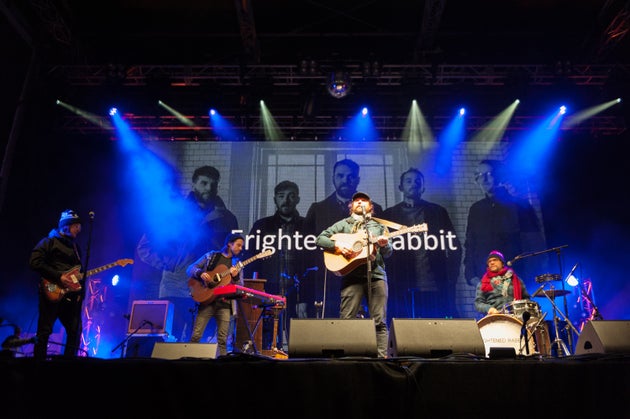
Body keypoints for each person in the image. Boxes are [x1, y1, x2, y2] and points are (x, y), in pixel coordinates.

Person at [136, 165, 239, 342]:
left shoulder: (227, 218)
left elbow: (232, 251)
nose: (208, 188)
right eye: (204, 183)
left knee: (202, 342)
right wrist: (169, 264)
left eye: (213, 184)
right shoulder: (175, 213)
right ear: (194, 184)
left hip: (209, 290)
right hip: (175, 286)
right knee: (170, 339)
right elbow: (144, 247)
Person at [315, 192, 392, 358]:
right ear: (351, 206)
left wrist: (384, 245)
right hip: (351, 278)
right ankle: (347, 358)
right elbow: (320, 239)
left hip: (376, 276)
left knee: (379, 321)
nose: (360, 203)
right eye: (356, 200)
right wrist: (338, 246)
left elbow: (388, 252)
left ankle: (382, 359)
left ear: (370, 206)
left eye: (364, 201)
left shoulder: (378, 227)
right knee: (347, 319)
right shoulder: (343, 224)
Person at [304, 159, 383, 318]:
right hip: (328, 280)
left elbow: (384, 250)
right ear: (333, 178)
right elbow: (307, 249)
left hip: (366, 278)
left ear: (358, 180)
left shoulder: (376, 211)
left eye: (350, 176)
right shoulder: (317, 209)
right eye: (340, 176)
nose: (345, 180)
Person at [382, 168, 462, 318]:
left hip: (435, 285)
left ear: (423, 187)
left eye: (418, 181)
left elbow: (454, 247)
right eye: (409, 181)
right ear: (401, 187)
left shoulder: (438, 212)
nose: (414, 184)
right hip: (402, 285)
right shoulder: (389, 215)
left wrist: (451, 276)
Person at [244, 180, 309, 351]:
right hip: (268, 290)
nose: (286, 200)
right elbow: (250, 260)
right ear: (275, 199)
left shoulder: (306, 225)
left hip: (296, 292)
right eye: (281, 196)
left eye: (291, 196)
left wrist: (304, 297)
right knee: (267, 338)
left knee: (299, 342)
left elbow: (311, 263)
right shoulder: (261, 225)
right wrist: (253, 292)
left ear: (298, 199)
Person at [464, 159, 547, 288]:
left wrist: (531, 277)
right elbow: (470, 244)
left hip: (518, 279)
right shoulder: (476, 209)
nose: (484, 180)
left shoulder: (521, 206)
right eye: (479, 176)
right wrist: (471, 276)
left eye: (488, 174)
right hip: (487, 281)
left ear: (499, 175)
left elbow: (534, 244)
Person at [29, 209, 85, 360]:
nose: (79, 229)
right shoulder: (48, 242)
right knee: (45, 330)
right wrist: (59, 276)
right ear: (66, 226)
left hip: (69, 296)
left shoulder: (75, 248)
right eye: (76, 226)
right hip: (51, 289)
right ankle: (38, 365)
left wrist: (79, 288)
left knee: (75, 330)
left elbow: (78, 273)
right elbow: (34, 262)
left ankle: (68, 366)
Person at [186, 233, 244, 356]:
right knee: (196, 335)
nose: (240, 248)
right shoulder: (211, 256)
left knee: (223, 340)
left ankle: (222, 365)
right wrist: (200, 273)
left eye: (241, 246)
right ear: (229, 244)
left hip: (224, 304)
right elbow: (190, 268)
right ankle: (189, 361)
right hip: (206, 301)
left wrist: (236, 276)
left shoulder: (237, 264)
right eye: (238, 245)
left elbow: (241, 286)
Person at [474, 250, 530, 315]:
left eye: (495, 260)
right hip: (494, 318)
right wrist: (489, 308)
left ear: (502, 263)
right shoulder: (483, 283)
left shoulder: (516, 280)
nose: (492, 263)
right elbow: (478, 303)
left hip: (515, 317)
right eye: (489, 261)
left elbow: (526, 299)